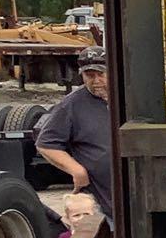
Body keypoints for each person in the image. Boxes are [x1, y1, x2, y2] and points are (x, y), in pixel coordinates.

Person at [35, 46, 114, 226]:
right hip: (101, 199)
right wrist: (76, 170)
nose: (96, 81)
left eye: (101, 74)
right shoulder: (71, 105)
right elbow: (46, 144)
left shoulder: (131, 96)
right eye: (90, 75)